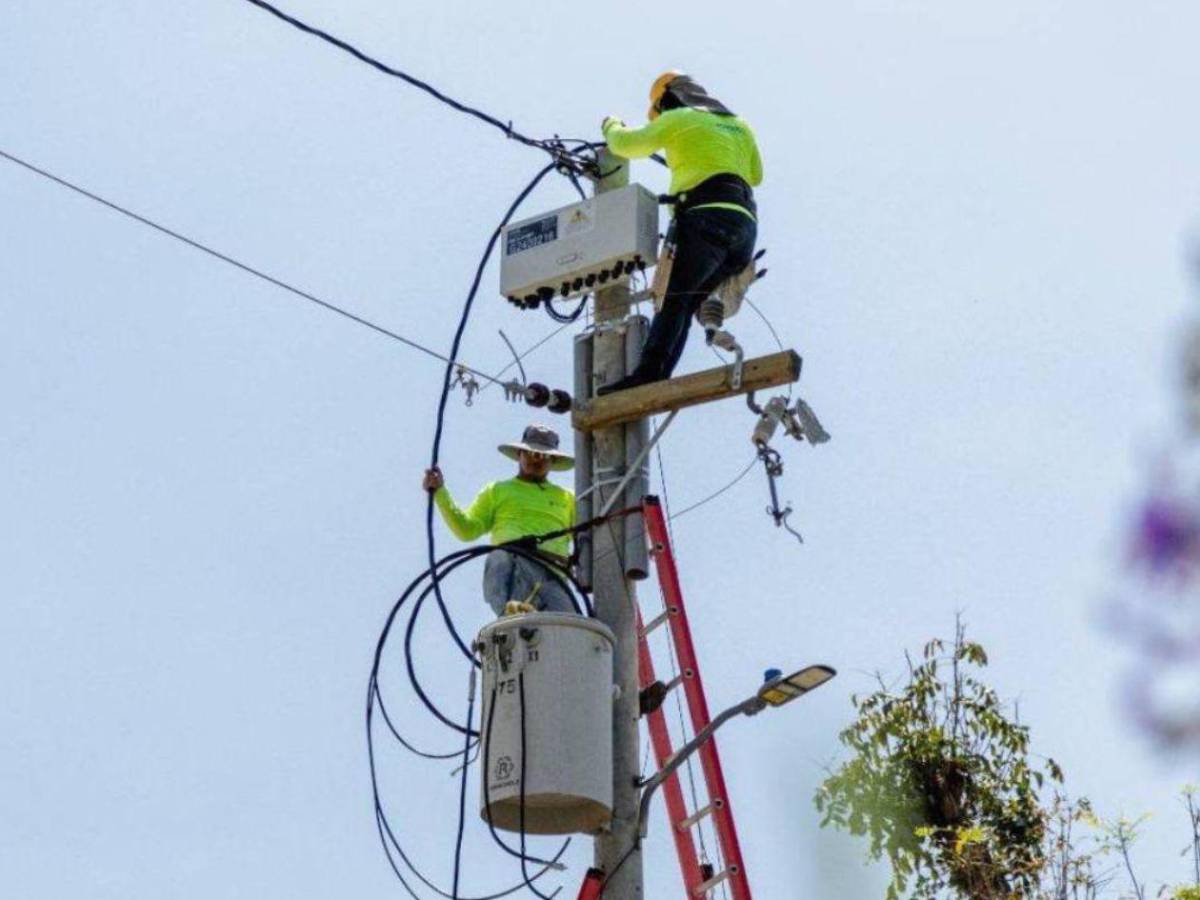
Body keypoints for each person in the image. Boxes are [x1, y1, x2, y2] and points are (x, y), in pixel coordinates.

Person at [597, 71, 763, 395]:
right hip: (744, 229)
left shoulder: (678, 118)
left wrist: (610, 124)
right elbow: (755, 175)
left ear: (667, 100)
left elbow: (625, 145)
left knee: (673, 300)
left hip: (704, 218)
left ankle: (649, 375)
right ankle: (655, 374)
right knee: (684, 303)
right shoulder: (740, 125)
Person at [422, 424, 577, 616]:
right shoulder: (497, 491)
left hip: (554, 574)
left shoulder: (568, 498)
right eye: (530, 453)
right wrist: (440, 493)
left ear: (552, 460)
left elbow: (588, 539)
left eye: (543, 455)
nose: (536, 460)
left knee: (569, 628)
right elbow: (467, 530)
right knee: (499, 560)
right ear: (520, 454)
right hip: (514, 565)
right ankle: (509, 614)